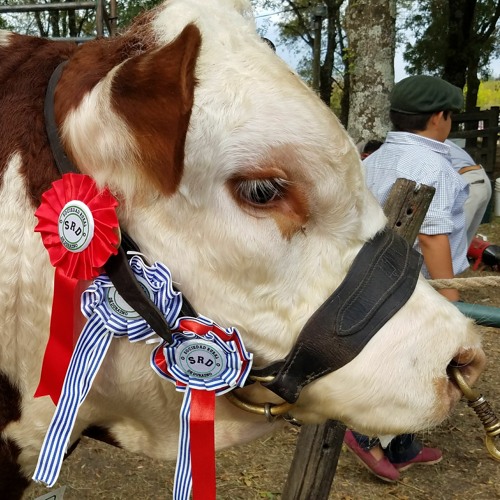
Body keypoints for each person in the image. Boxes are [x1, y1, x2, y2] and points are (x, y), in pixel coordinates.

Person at [344, 75, 469, 483]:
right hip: (412, 280)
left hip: (375, 274)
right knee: (417, 357)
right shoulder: (430, 163)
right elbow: (432, 236)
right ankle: (365, 431)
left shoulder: (377, 157)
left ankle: (403, 444)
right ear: (439, 117)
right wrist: (450, 296)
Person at [446, 139, 492, 245]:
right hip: (480, 179)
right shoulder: (435, 136)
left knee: (449, 246)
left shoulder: (407, 143)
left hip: (466, 182)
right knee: (461, 247)